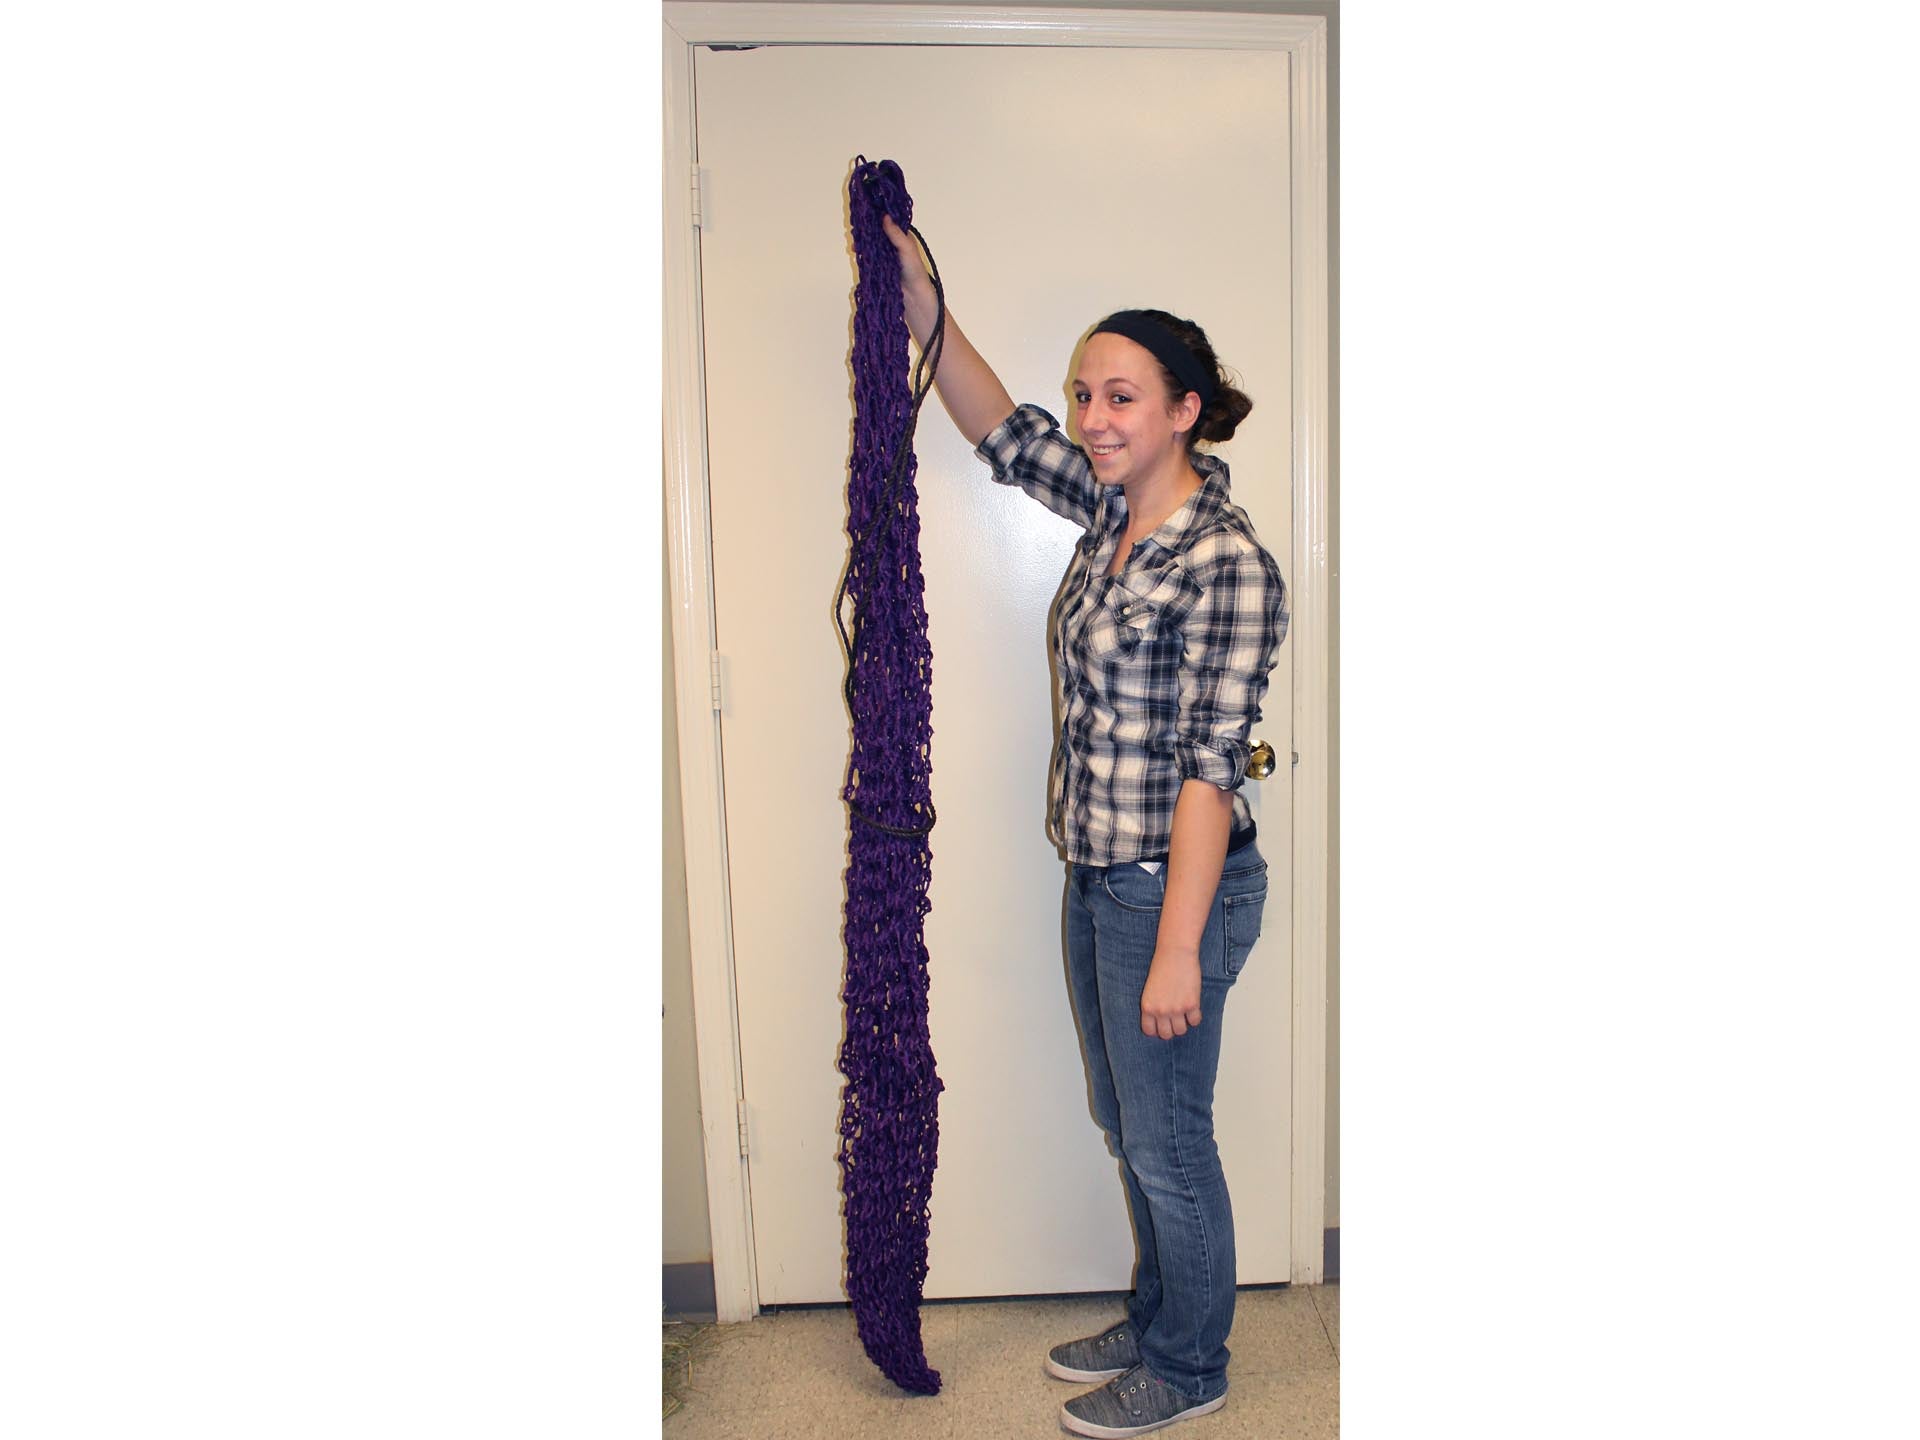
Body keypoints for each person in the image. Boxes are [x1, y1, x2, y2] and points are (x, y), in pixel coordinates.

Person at [880, 214, 1290, 1437]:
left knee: (1169, 1142)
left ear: (1186, 412)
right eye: (1085, 394)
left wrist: (1177, 944)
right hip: (1098, 877)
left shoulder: (1224, 562)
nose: (1095, 417)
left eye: (1122, 396)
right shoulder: (1112, 516)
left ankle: (1193, 1364)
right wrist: (922, 298)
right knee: (1130, 1122)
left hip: (1175, 885)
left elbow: (1213, 771)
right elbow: (996, 428)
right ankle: (1163, 1305)